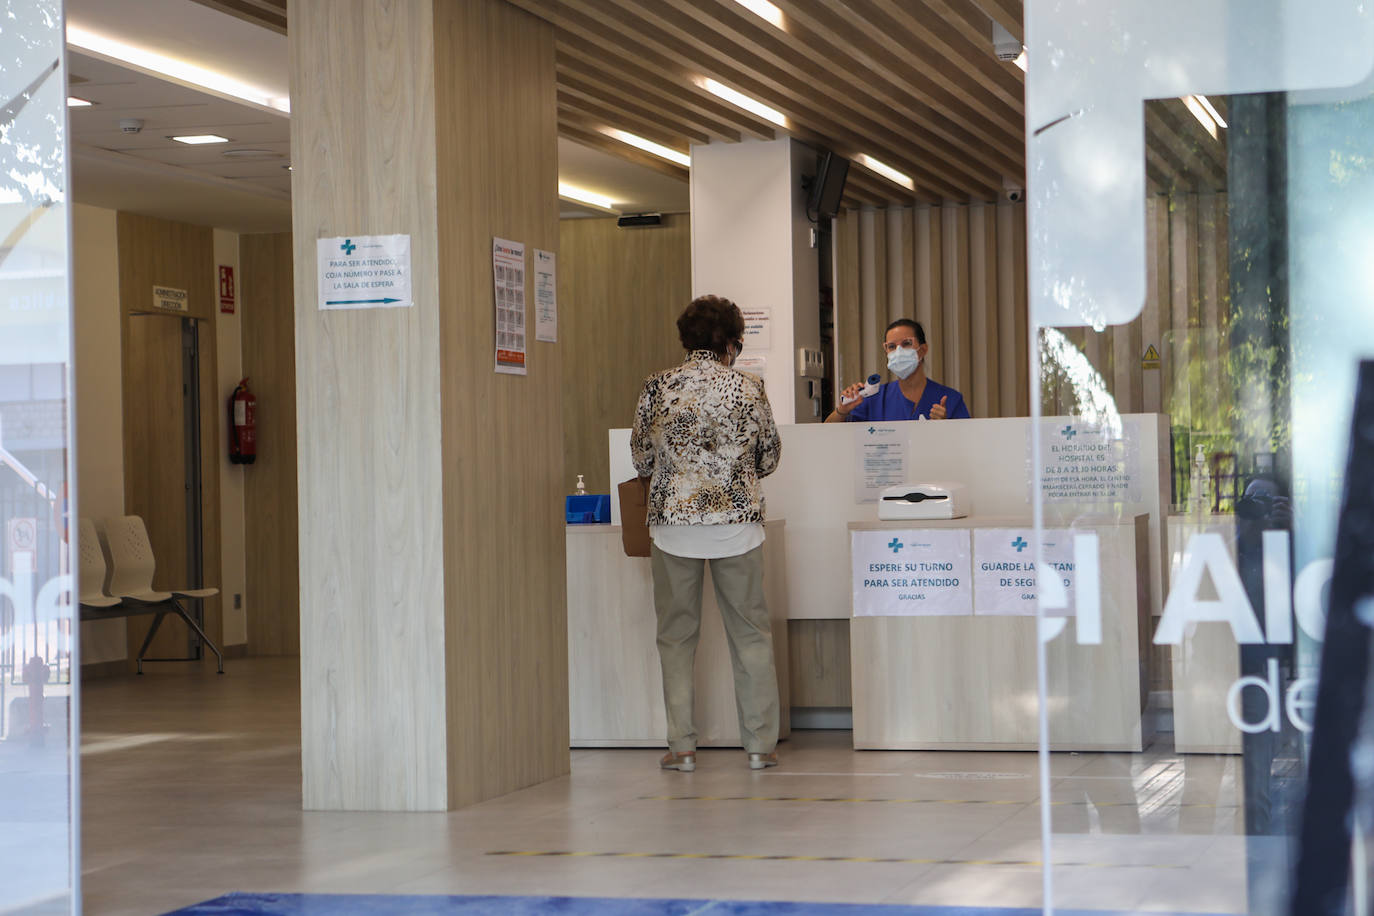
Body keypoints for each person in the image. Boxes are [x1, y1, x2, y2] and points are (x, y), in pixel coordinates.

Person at [631, 294, 783, 773]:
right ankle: (759, 747)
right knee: (751, 637)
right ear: (733, 342)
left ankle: (683, 748)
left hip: (674, 529)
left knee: (676, 639)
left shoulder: (658, 386)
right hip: (736, 528)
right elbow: (769, 457)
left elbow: (641, 459)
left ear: (686, 339)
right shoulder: (750, 387)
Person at [825, 318, 971, 422]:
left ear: (923, 350)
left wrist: (948, 428)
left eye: (906, 343)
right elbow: (827, 433)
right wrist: (842, 411)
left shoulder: (950, 399)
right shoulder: (874, 399)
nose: (898, 351)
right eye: (892, 347)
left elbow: (967, 448)